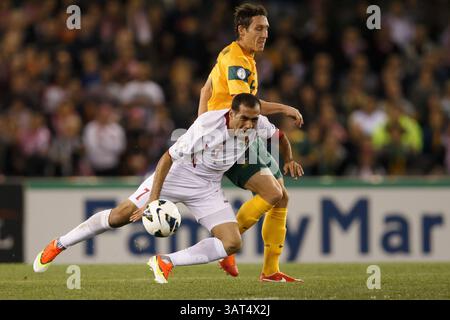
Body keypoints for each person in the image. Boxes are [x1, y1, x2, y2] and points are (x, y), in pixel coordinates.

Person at [33, 93, 304, 284]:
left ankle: (165, 261)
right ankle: (59, 244)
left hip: (208, 186)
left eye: (254, 120)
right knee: (118, 217)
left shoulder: (258, 125)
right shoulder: (207, 125)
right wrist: (152, 201)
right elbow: (167, 159)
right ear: (231, 113)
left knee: (232, 243)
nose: (249, 125)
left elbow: (280, 137)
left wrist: (289, 159)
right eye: (244, 118)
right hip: (178, 174)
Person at [198, 3, 304, 282]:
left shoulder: (240, 56)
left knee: (282, 197)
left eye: (267, 28)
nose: (265, 33)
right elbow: (246, 106)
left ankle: (270, 271)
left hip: (245, 132)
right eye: (259, 28)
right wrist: (285, 108)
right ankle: (225, 245)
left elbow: (206, 89)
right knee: (272, 194)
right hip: (231, 137)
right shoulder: (235, 61)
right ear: (241, 30)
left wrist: (201, 122)